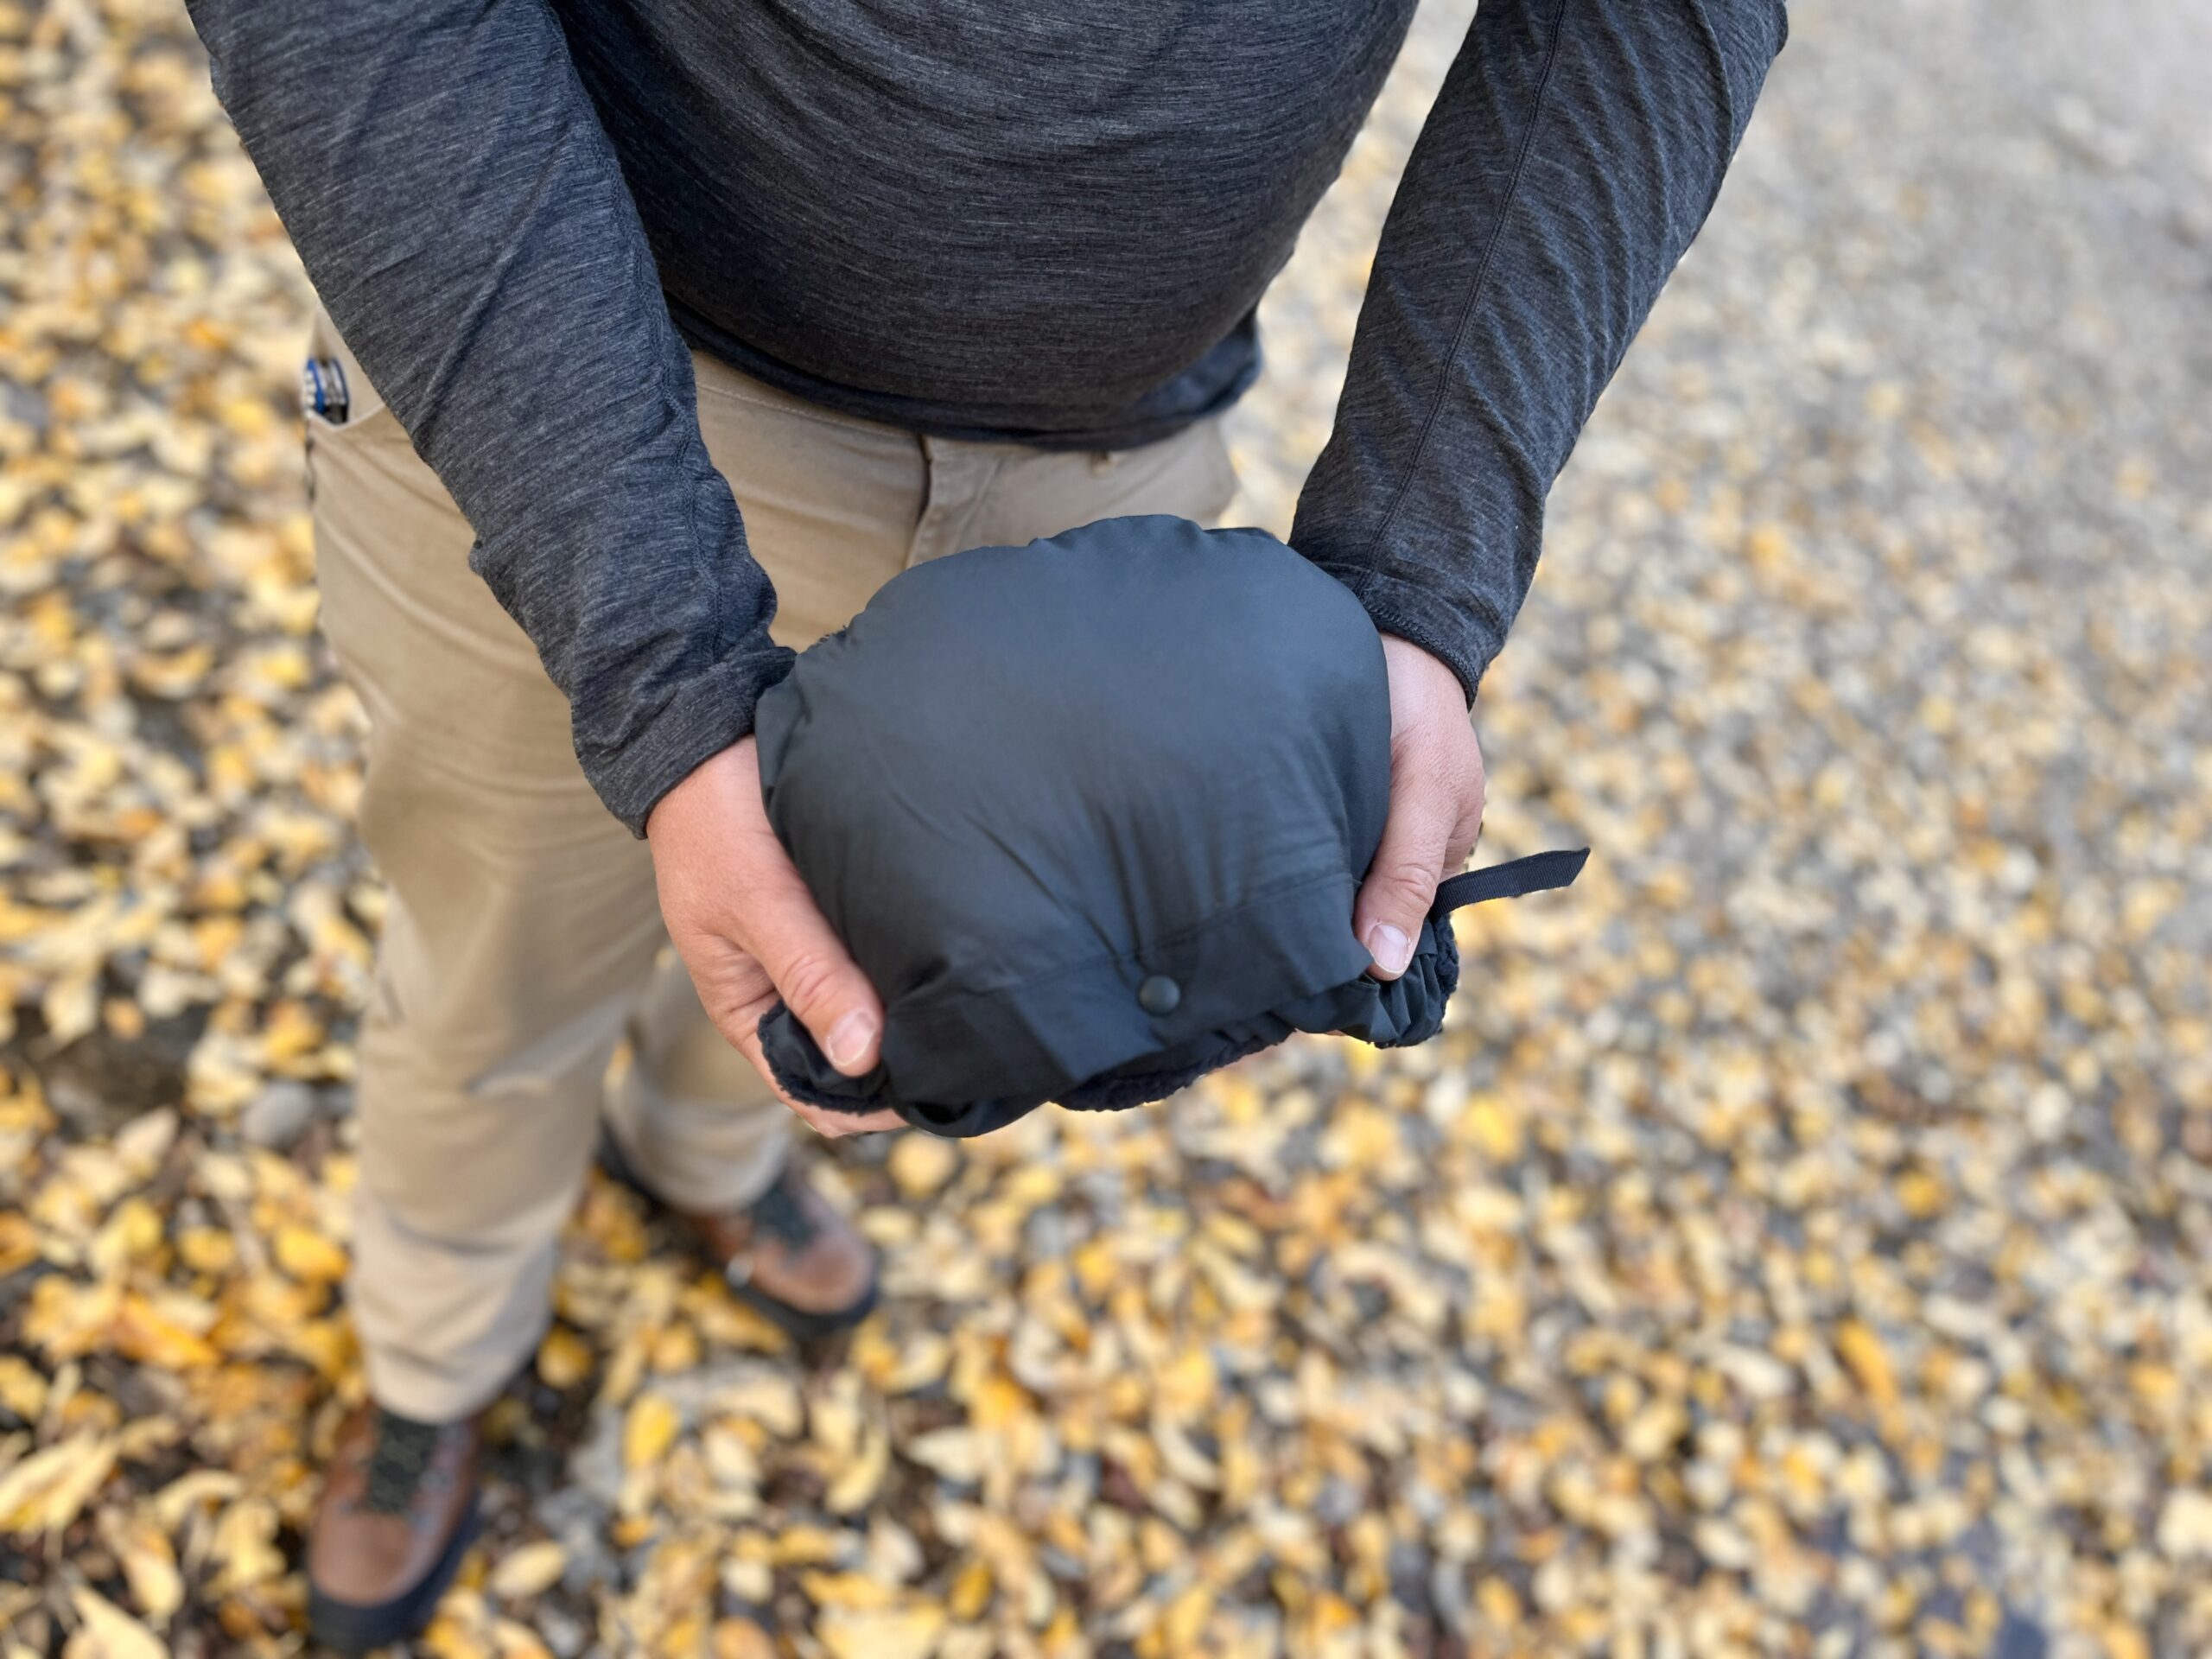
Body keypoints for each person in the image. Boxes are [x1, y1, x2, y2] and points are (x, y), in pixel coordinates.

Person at [185, 0, 1786, 1646]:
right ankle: (435, 1355)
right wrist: (655, 654)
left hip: (1114, 483)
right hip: (575, 388)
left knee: (852, 961)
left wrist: (1418, 567)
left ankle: (705, 1150)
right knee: (497, 972)